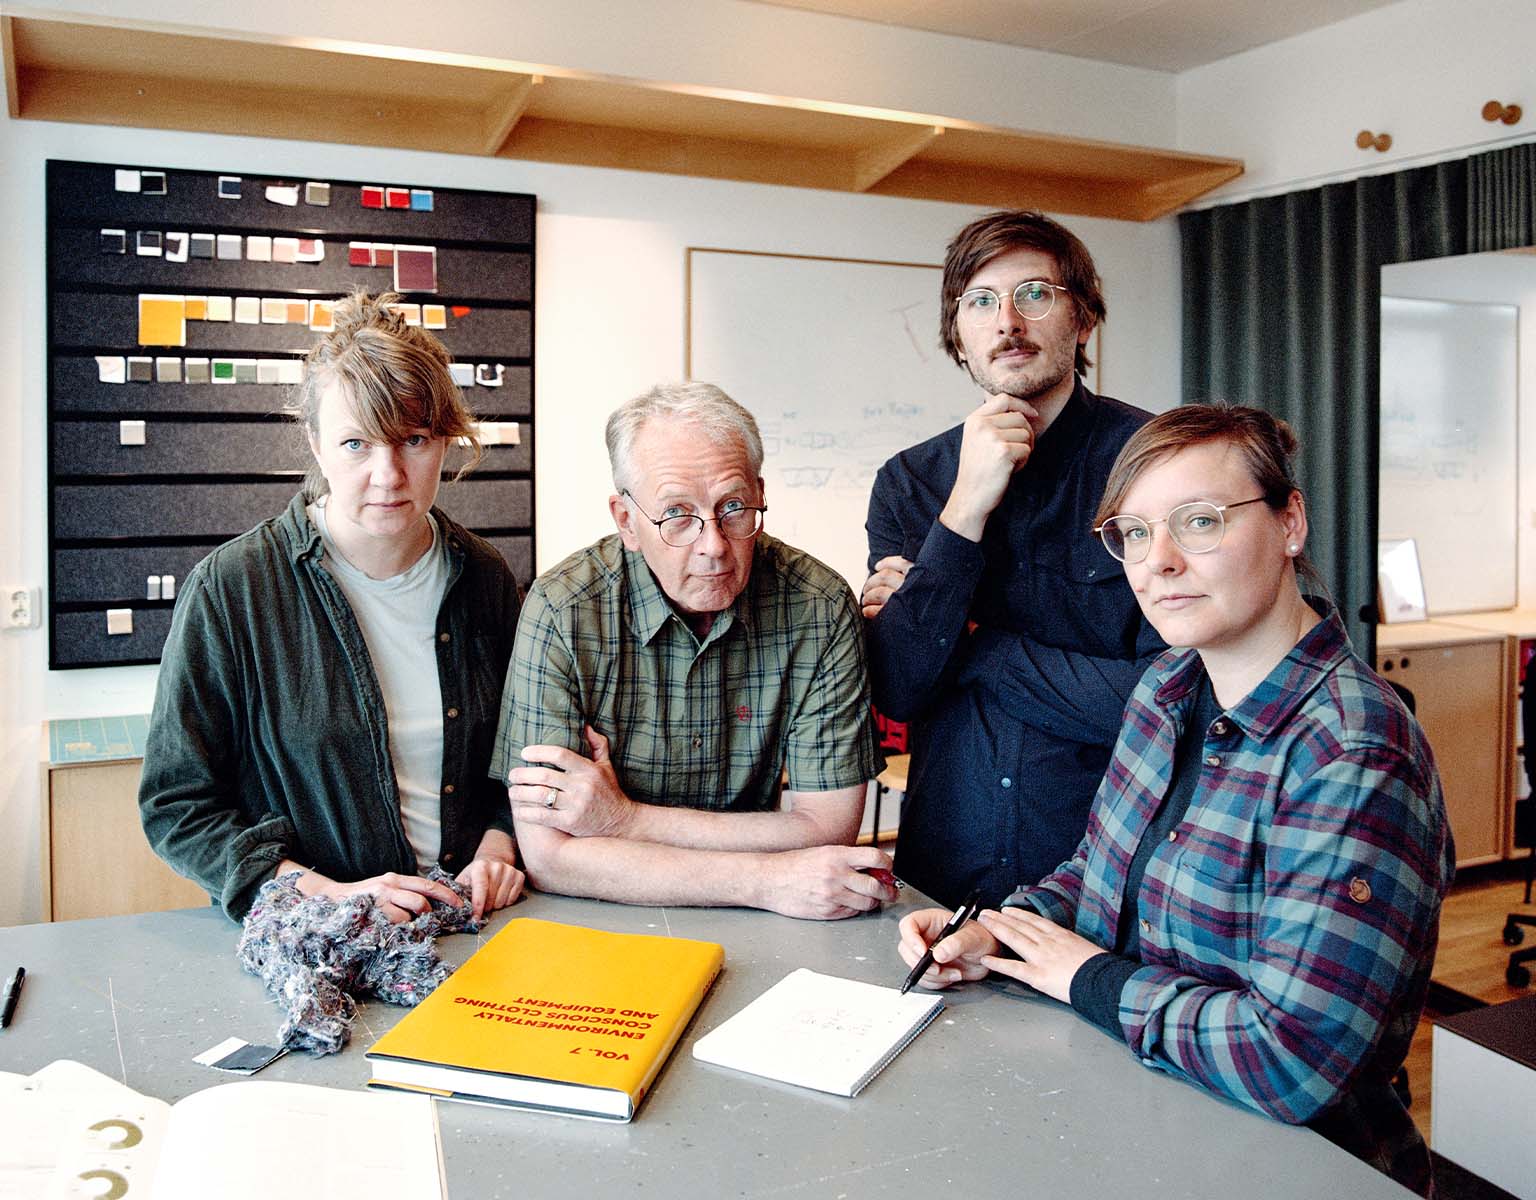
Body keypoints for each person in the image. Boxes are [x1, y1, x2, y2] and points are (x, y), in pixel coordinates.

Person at [896, 404, 1453, 1194]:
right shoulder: (1166, 686)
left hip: (1297, 1169)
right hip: (1146, 1119)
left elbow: (1293, 1061)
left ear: (1290, 522)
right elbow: (1097, 874)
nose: (1157, 562)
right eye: (1133, 532)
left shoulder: (1352, 752)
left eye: (1199, 522)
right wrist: (995, 935)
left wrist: (1085, 977)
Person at [140, 292, 525, 924]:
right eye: (356, 445)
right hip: (321, 942)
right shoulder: (232, 588)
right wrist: (332, 896)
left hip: (476, 926)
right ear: (317, 446)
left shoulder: (482, 576)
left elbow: (518, 755)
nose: (389, 474)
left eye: (415, 439)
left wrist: (498, 846)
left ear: (447, 441)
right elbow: (178, 806)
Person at [492, 382, 897, 919]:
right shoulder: (562, 610)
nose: (713, 545)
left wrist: (624, 821)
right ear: (626, 521)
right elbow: (551, 857)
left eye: (733, 507)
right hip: (597, 916)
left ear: (759, 490)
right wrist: (766, 878)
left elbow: (826, 829)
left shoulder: (816, 606)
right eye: (677, 514)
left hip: (766, 921)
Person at [863, 209, 1163, 908]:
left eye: (1035, 295)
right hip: (944, 865)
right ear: (959, 338)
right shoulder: (910, 481)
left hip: (1110, 874)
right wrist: (965, 506)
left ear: (1083, 320)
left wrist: (973, 644)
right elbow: (900, 687)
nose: (1008, 323)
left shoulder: (1155, 466)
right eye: (980, 302)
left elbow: (1163, 703)